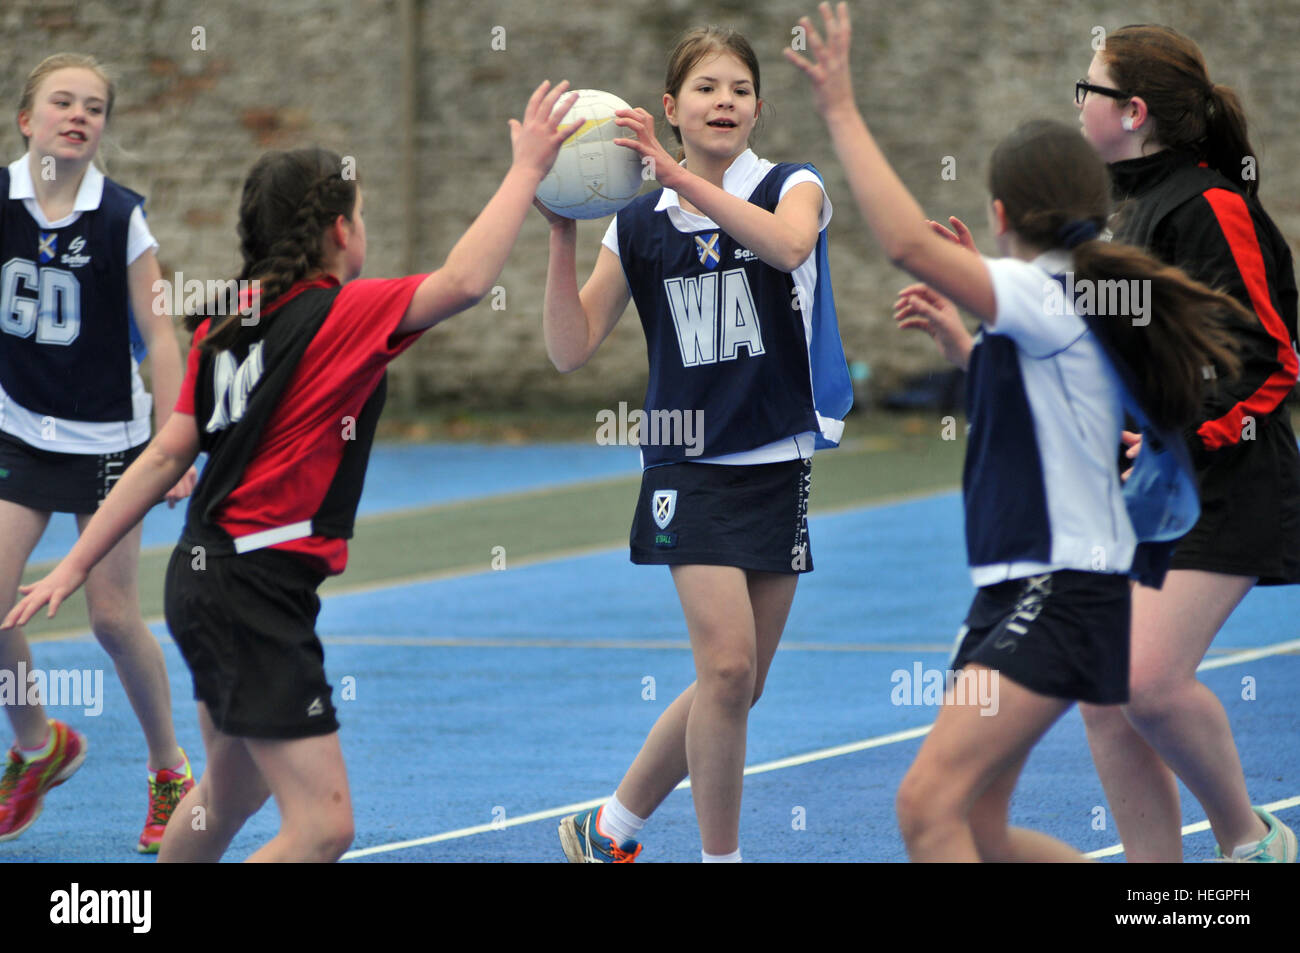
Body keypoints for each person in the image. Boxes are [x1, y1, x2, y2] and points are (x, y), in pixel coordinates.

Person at [4, 80, 582, 861]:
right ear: (342, 231)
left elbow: (166, 455)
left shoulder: (225, 321)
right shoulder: (341, 315)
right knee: (324, 824)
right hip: (254, 590)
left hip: (202, 579)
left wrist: (73, 562)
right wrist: (525, 170)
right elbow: (465, 281)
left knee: (231, 791)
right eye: (364, 215)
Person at [787, 2, 1250, 861]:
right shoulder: (1054, 301)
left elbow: (901, 243)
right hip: (1017, 589)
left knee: (928, 806)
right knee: (975, 829)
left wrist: (842, 109)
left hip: (1062, 589)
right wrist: (970, 345)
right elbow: (1051, 412)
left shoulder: (1048, 292)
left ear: (1001, 212)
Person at [546, 25, 852, 863]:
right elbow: (569, 347)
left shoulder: (796, 186)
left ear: (758, 108)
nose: (727, 101)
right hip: (686, 463)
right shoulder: (638, 223)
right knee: (724, 670)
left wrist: (678, 177)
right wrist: (563, 230)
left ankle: (609, 826)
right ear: (671, 108)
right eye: (708, 89)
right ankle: (722, 857)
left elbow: (787, 246)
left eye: (741, 89)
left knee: (741, 684)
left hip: (776, 457)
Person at [1073, 24, 1299, 863]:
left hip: (1227, 477)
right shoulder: (1124, 210)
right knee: (1103, 690)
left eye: (1088, 88)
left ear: (1131, 111)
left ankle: (1254, 840)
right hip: (1149, 485)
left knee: (1147, 679)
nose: (1078, 103)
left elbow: (1272, 356)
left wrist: (1186, 436)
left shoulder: (1213, 205)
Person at [0, 53, 199, 852]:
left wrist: (176, 441)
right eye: (62, 102)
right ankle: (38, 741)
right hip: (18, 427)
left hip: (112, 442)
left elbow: (161, 332)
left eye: (94, 107)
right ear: (27, 120)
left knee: (113, 618)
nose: (78, 115)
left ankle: (168, 769)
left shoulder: (119, 217)